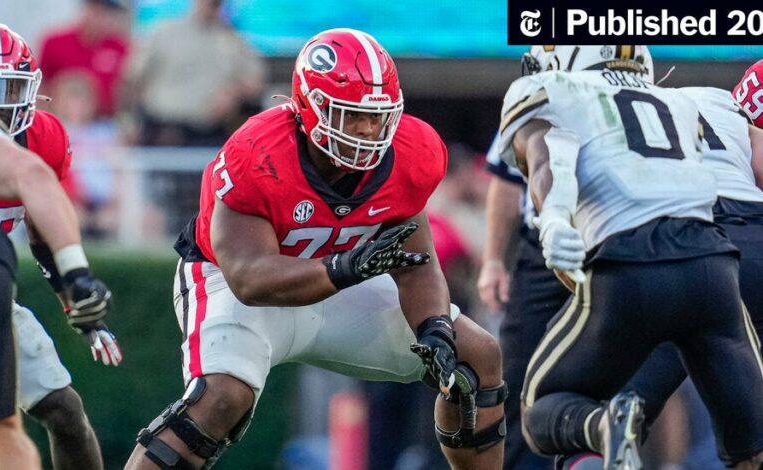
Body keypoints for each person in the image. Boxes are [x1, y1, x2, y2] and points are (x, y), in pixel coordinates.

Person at [124, 28, 505, 469]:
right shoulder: (258, 152)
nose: (366, 130)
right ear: (310, 107)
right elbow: (249, 278)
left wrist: (434, 327)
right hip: (234, 285)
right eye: (350, 116)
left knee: (474, 357)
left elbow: (415, 264)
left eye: (376, 117)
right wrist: (344, 268)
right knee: (221, 398)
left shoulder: (411, 153)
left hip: (343, 282)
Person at [495, 45, 763, 469]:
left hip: (635, 264)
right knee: (751, 444)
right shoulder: (685, 101)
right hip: (718, 264)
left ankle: (602, 427)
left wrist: (554, 219)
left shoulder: (555, 90)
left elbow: (552, 159)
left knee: (548, 409)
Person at [0, 22, 121, 470]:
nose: (1, 105)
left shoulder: (44, 137)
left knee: (65, 410)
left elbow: (45, 235)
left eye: (10, 88)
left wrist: (76, 299)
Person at [478, 137, 569, 470]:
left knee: (619, 377)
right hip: (542, 248)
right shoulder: (534, 98)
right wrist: (492, 260)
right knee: (518, 376)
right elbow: (507, 179)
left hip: (612, 244)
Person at [122, 0, 265, 146]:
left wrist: (234, 92)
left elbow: (255, 86)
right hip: (163, 132)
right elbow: (132, 80)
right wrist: (128, 124)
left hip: (211, 134)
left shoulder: (234, 41)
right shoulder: (165, 33)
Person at [37, 0, 129, 119]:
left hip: (102, 123)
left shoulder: (120, 48)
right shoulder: (55, 43)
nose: (100, 17)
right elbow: (41, 85)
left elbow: (124, 89)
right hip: (59, 117)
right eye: (96, 9)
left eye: (106, 12)